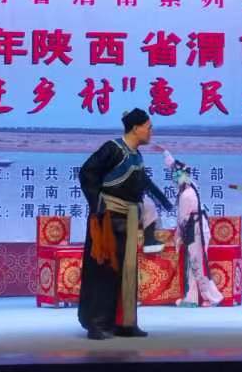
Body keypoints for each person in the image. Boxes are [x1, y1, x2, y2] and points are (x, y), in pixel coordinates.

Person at [77, 108, 171, 340]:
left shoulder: (136, 155)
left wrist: (164, 201)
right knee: (104, 270)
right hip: (108, 218)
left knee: (127, 272)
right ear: (136, 128)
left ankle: (124, 322)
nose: (151, 131)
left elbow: (142, 182)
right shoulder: (113, 148)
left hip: (128, 219)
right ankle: (97, 323)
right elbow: (87, 173)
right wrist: (98, 204)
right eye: (148, 127)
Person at [165, 152, 223, 307]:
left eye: (176, 177)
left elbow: (182, 220)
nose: (174, 180)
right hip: (196, 227)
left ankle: (212, 297)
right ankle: (192, 298)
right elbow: (180, 168)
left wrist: (177, 238)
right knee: (193, 264)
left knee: (198, 264)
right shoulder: (191, 186)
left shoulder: (186, 195)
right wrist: (167, 155)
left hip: (196, 230)